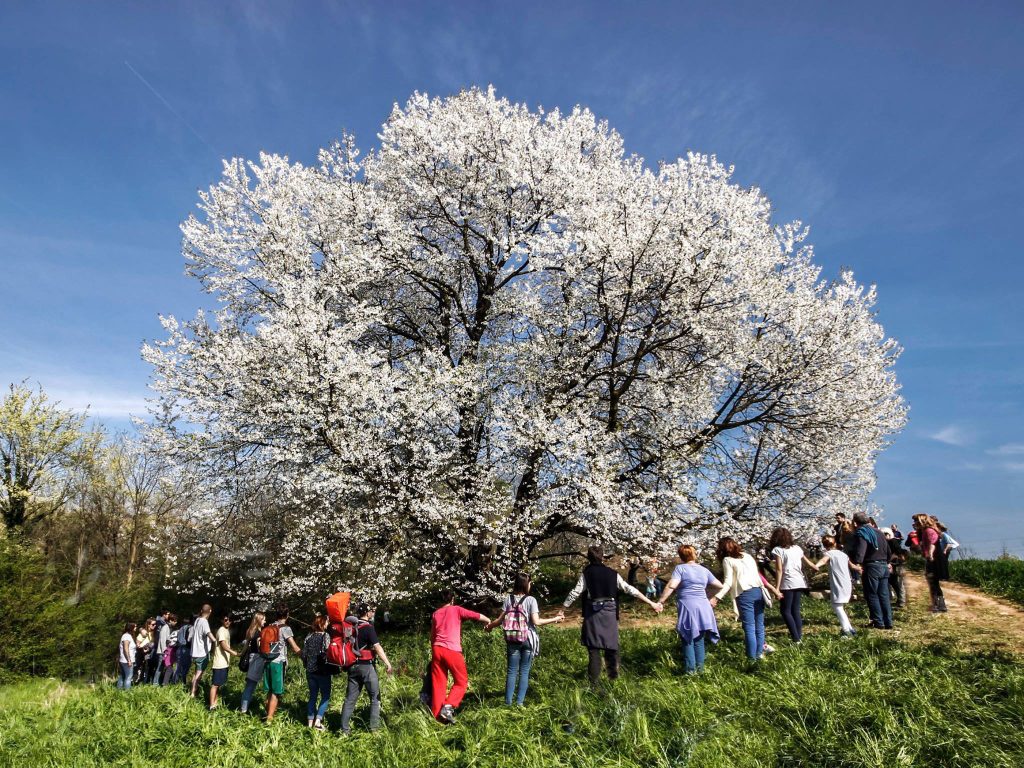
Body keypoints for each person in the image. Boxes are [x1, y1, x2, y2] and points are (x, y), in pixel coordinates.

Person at [557, 545, 664, 685]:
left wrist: (562, 609)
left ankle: (594, 685)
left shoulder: (587, 574)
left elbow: (575, 592)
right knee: (611, 646)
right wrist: (651, 603)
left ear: (588, 557)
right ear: (602, 557)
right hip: (609, 612)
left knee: (594, 649)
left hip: (593, 612)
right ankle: (613, 680)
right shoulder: (613, 573)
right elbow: (629, 589)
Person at [484, 573, 563, 705]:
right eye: (530, 583)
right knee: (524, 671)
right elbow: (536, 622)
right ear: (526, 584)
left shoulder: (508, 599)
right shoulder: (531, 600)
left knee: (511, 671)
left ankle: (508, 703)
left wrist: (489, 626)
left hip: (512, 638)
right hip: (527, 639)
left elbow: (499, 620)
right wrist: (555, 619)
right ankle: (519, 703)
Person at [656, 545, 723, 674]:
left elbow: (672, 586)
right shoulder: (704, 570)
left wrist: (661, 601)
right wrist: (709, 596)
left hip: (688, 606)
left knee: (687, 637)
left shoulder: (680, 568)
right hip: (703, 606)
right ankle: (700, 670)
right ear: (694, 554)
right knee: (699, 639)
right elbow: (719, 585)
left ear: (681, 556)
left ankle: (690, 671)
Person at [710, 537, 778, 661]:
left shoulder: (727, 560)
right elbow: (757, 575)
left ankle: (751, 658)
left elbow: (728, 582)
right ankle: (759, 654)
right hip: (758, 591)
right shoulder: (748, 556)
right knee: (759, 626)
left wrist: (717, 597)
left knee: (749, 628)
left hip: (744, 594)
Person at [429, 591, 491, 724]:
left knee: (439, 683)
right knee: (461, 681)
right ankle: (448, 707)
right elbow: (475, 615)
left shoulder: (436, 613)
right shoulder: (456, 609)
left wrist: (434, 650)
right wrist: (488, 620)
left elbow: (432, 636)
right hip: (451, 650)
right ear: (452, 600)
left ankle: (437, 716)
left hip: (437, 649)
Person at [340, 603, 394, 735]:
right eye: (372, 611)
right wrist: (388, 663)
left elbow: (346, 643)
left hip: (352, 666)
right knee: (375, 698)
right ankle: (374, 729)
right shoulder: (368, 628)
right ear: (367, 613)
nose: (373, 613)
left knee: (350, 699)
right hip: (366, 666)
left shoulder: (349, 627)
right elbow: (377, 647)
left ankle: (344, 730)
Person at [769, 528, 816, 644]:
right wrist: (815, 567)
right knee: (795, 610)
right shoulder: (797, 548)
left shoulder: (778, 550)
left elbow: (779, 570)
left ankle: (796, 638)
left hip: (787, 582)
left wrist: (777, 588)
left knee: (785, 611)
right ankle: (798, 637)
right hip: (799, 581)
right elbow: (807, 562)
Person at [850, 512, 893, 628]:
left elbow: (861, 550)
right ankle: (888, 622)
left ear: (855, 522)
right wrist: (887, 562)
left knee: (872, 594)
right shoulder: (879, 532)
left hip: (871, 566)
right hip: (883, 565)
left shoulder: (862, 532)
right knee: (883, 595)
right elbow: (888, 551)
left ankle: (878, 622)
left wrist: (857, 562)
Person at [262, 603, 301, 723]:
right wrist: (305, 656)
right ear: (287, 615)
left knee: (270, 690)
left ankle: (268, 713)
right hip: (278, 662)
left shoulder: (270, 625)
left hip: (267, 660)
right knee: (276, 691)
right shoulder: (285, 628)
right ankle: (269, 719)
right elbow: (294, 647)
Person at [813, 536, 856, 636]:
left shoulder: (829, 554)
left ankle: (847, 631)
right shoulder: (843, 554)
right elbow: (852, 566)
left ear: (824, 546)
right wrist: (860, 569)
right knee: (839, 605)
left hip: (838, 582)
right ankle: (849, 628)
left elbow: (823, 561)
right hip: (847, 582)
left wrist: (815, 566)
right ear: (835, 543)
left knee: (837, 606)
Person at [301, 614, 332, 729]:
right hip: (322, 670)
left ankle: (310, 722)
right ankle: (318, 721)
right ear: (322, 623)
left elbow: (304, 654)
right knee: (325, 696)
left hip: (310, 670)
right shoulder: (325, 636)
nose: (328, 624)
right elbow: (328, 651)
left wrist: (307, 664)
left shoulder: (309, 636)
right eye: (326, 622)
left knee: (312, 696)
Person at [915, 514, 948, 612]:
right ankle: (940, 605)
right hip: (934, 558)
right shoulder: (926, 530)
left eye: (916, 521)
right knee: (934, 583)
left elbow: (932, 543)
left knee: (933, 582)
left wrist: (930, 555)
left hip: (934, 559)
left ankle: (937, 605)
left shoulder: (928, 530)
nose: (915, 523)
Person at [239, 612, 267, 715]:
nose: (265, 621)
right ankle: (243, 709)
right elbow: (260, 648)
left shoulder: (250, 631)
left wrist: (240, 654)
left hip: (251, 658)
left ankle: (245, 706)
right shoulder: (259, 633)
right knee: (250, 685)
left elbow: (246, 646)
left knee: (250, 684)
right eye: (263, 619)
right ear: (259, 620)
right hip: (257, 659)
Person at [208, 614, 238, 710]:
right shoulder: (221, 630)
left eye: (230, 620)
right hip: (219, 663)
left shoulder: (226, 630)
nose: (228, 622)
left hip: (224, 662)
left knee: (218, 685)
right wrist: (234, 653)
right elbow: (223, 645)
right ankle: (211, 705)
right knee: (215, 684)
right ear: (222, 620)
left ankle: (215, 703)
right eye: (226, 620)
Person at [190, 604, 216, 698]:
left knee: (196, 672)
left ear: (201, 611)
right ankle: (193, 693)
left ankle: (192, 690)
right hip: (201, 652)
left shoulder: (197, 620)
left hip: (194, 651)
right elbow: (208, 633)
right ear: (210, 611)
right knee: (199, 674)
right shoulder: (204, 622)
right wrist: (215, 641)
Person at [883, 528, 908, 609]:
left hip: (896, 565)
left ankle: (901, 602)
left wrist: (890, 560)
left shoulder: (893, 542)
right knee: (893, 582)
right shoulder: (889, 542)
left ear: (888, 534)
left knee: (898, 583)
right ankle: (899, 600)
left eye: (884, 535)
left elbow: (898, 552)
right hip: (894, 565)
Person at [151, 610, 170, 684]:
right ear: (164, 614)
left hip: (159, 647)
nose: (168, 616)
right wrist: (164, 649)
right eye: (167, 614)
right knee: (157, 667)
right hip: (158, 647)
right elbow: (160, 637)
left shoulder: (164, 623)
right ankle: (154, 683)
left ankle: (155, 682)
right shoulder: (159, 623)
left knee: (159, 667)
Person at [117, 622, 137, 690]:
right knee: (128, 677)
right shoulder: (126, 636)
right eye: (135, 627)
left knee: (122, 676)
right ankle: (127, 692)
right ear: (131, 627)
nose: (136, 628)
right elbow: (125, 649)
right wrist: (129, 660)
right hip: (126, 661)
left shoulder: (128, 636)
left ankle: (119, 690)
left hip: (124, 660)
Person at [160, 614, 179, 685]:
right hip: (167, 651)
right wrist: (164, 650)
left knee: (168, 668)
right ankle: (164, 684)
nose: (176, 622)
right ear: (170, 620)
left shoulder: (171, 629)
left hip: (168, 651)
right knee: (169, 668)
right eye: (174, 621)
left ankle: (163, 683)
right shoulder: (166, 628)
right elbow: (163, 640)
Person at [133, 619, 154, 684]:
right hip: (141, 653)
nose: (154, 626)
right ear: (148, 625)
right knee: (139, 667)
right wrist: (142, 649)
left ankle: (144, 681)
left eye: (155, 624)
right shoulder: (143, 633)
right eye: (153, 624)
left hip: (149, 652)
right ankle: (135, 681)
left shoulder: (153, 633)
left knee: (146, 667)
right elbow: (137, 644)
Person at [175, 617, 193, 684]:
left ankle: (176, 683)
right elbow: (188, 640)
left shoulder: (181, 629)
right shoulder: (190, 628)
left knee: (179, 668)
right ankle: (181, 683)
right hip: (186, 649)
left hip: (180, 648)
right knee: (184, 668)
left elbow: (179, 640)